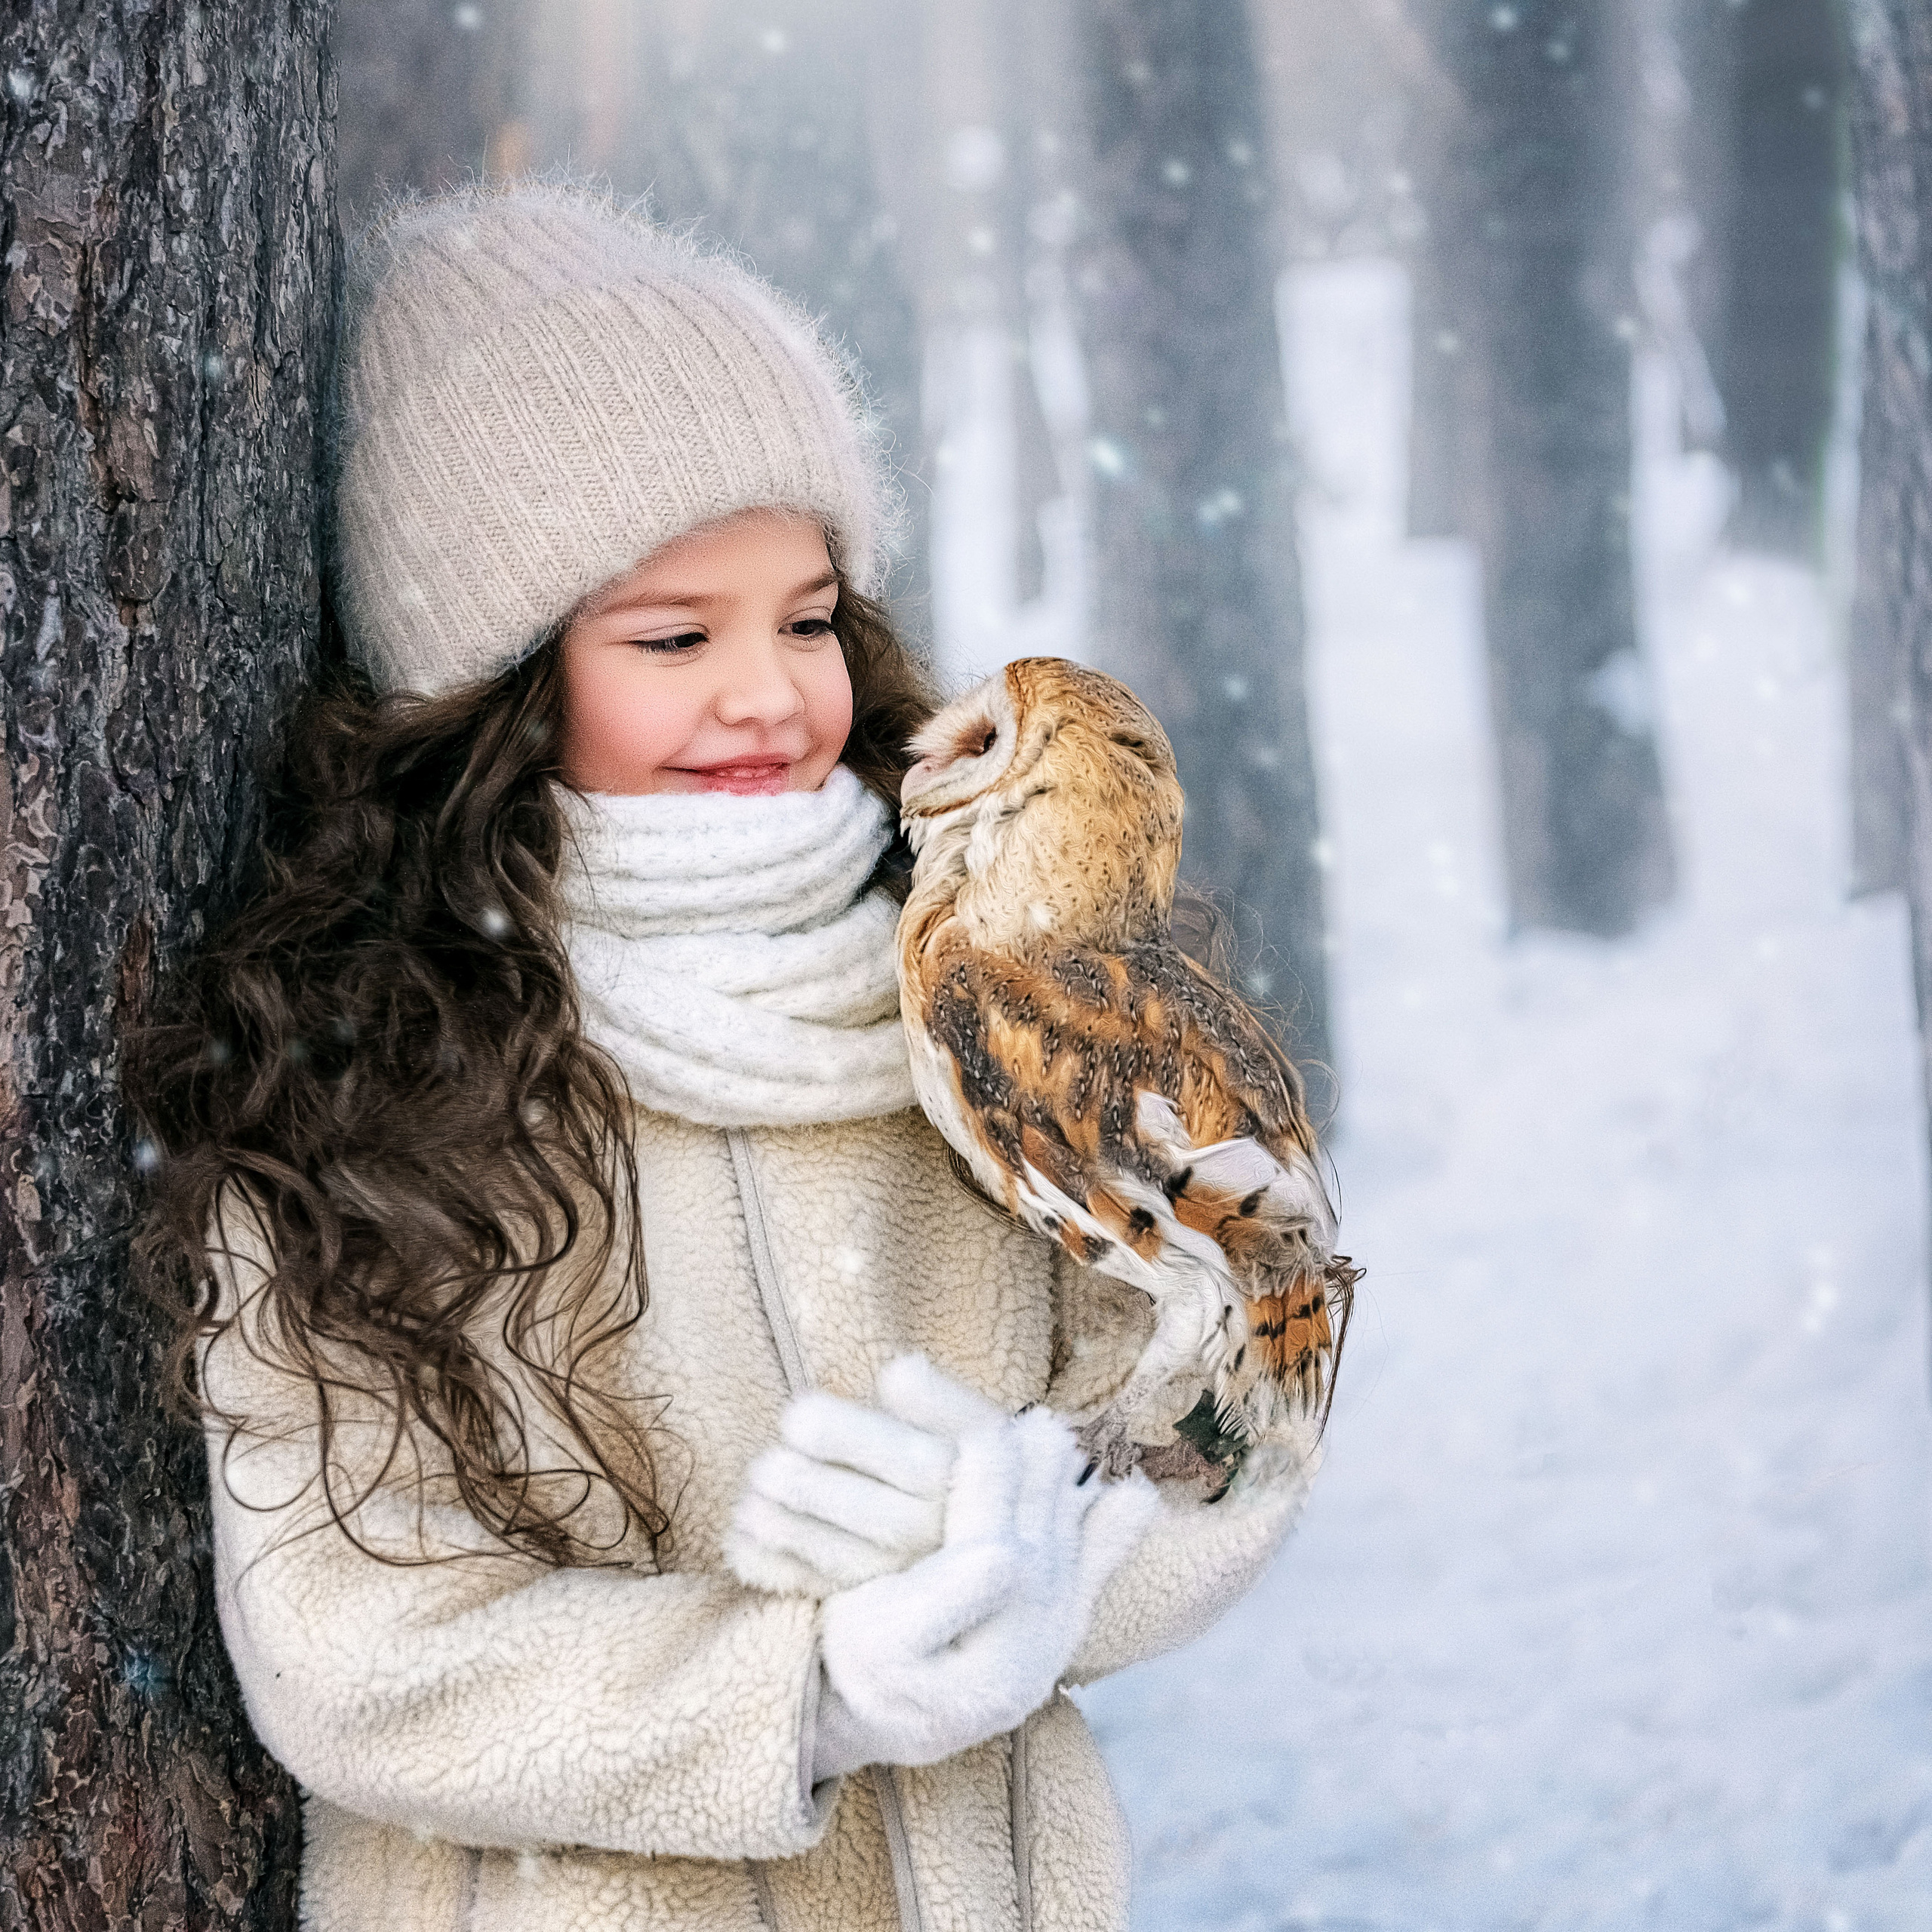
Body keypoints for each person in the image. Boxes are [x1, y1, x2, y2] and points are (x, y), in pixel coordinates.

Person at [130, 185, 1324, 1932]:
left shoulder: (982, 988)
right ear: (498, 680)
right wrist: (817, 1684)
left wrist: (1041, 1552)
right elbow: (353, 1651)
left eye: (809, 615)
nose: (769, 693)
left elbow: (1242, 1366)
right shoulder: (358, 1076)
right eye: (675, 636)